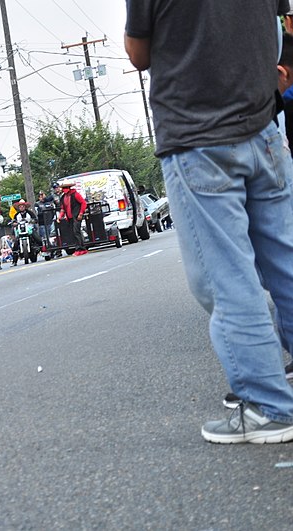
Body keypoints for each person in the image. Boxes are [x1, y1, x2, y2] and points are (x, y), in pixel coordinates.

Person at [125, 0, 293, 443]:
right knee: (286, 263)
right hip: (264, 126)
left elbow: (138, 53)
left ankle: (268, 408)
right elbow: (279, 26)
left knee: (227, 280)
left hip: (199, 136)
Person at [57, 180, 87, 256]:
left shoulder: (75, 194)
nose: (64, 189)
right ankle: (81, 248)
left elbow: (83, 203)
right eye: (63, 188)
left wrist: (81, 213)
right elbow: (63, 208)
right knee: (74, 232)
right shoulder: (63, 197)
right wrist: (60, 216)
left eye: (65, 187)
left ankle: (79, 248)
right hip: (70, 217)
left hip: (76, 215)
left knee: (76, 231)